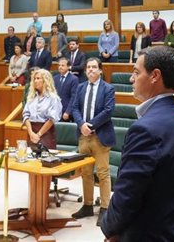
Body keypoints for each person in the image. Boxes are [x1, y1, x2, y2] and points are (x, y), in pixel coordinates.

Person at [102, 46, 174, 240]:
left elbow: (127, 195)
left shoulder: (146, 129)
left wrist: (107, 227)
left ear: (155, 76)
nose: (131, 78)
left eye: (136, 72)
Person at [71, 58, 116, 227]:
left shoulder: (108, 88)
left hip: (100, 136)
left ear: (100, 70)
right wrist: (82, 124)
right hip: (83, 136)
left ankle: (105, 208)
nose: (90, 70)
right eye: (88, 67)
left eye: (94, 67)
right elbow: (74, 107)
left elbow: (108, 110)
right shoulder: (81, 87)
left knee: (103, 173)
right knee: (86, 172)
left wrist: (90, 125)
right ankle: (88, 205)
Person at [22, 68, 62, 148]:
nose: (35, 81)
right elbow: (26, 115)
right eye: (34, 79)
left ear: (45, 80)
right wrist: (31, 133)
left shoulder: (53, 98)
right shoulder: (31, 97)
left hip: (46, 133)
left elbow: (51, 119)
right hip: (32, 132)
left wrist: (39, 134)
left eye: (38, 78)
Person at [54, 57, 78, 121]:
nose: (60, 67)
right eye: (59, 65)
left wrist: (68, 111)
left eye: (62, 65)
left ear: (68, 67)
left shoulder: (74, 79)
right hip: (55, 110)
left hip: (66, 111)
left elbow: (74, 97)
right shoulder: (55, 78)